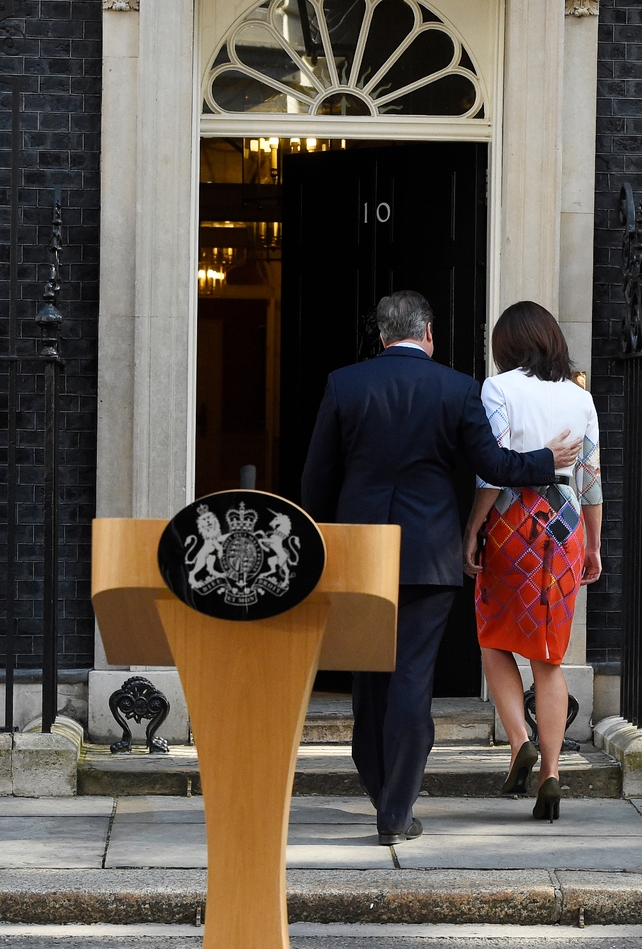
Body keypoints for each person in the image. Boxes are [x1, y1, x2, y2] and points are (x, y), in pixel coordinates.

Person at [301, 290, 582, 845]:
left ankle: (382, 792)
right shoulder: (457, 387)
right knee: (410, 680)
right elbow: (493, 466)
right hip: (428, 557)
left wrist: (320, 548)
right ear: (428, 332)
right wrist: (548, 461)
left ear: (381, 335)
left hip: (359, 555)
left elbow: (316, 480)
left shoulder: (344, 384)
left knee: (368, 684)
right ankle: (396, 813)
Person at [463, 300, 602, 823]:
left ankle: (519, 739)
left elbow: (490, 470)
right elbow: (590, 479)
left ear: (507, 344)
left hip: (512, 518)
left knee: (492, 635)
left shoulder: (497, 389)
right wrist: (592, 543)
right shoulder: (579, 396)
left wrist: (474, 527)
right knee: (549, 658)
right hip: (564, 520)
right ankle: (550, 774)